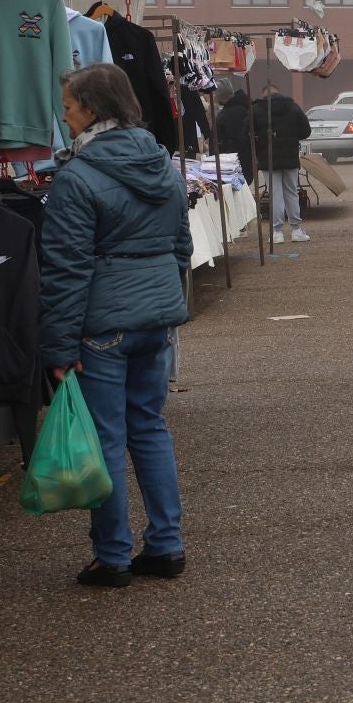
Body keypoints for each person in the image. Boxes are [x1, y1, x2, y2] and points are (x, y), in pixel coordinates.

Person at [39, 64, 192, 588]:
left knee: (105, 438)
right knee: (149, 428)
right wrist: (166, 301)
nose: (65, 115)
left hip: (103, 324)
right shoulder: (163, 166)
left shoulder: (77, 177)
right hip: (156, 317)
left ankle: (113, 555)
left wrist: (58, 348)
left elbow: (65, 268)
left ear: (93, 111)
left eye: (69, 106)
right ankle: (167, 545)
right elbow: (181, 246)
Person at [250, 84, 312, 243]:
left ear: (264, 95)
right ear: (279, 93)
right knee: (291, 191)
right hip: (290, 156)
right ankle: (296, 230)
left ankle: (276, 232)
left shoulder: (256, 109)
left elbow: (247, 132)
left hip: (267, 157)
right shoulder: (293, 107)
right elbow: (306, 131)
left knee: (274, 193)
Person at [213, 87, 252, 182]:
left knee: (238, 185)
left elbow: (236, 136)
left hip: (232, 159)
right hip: (237, 157)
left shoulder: (233, 111)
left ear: (223, 97)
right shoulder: (238, 108)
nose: (214, 97)